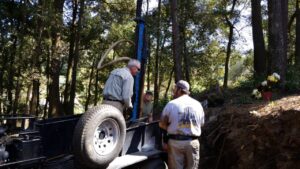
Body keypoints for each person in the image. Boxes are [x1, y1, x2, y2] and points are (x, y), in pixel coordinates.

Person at [159, 80, 205, 169]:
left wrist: (165, 140)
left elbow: (162, 124)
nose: (174, 91)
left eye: (175, 88)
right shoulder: (198, 105)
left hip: (175, 143)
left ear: (180, 90)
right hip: (192, 143)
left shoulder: (171, 104)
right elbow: (201, 123)